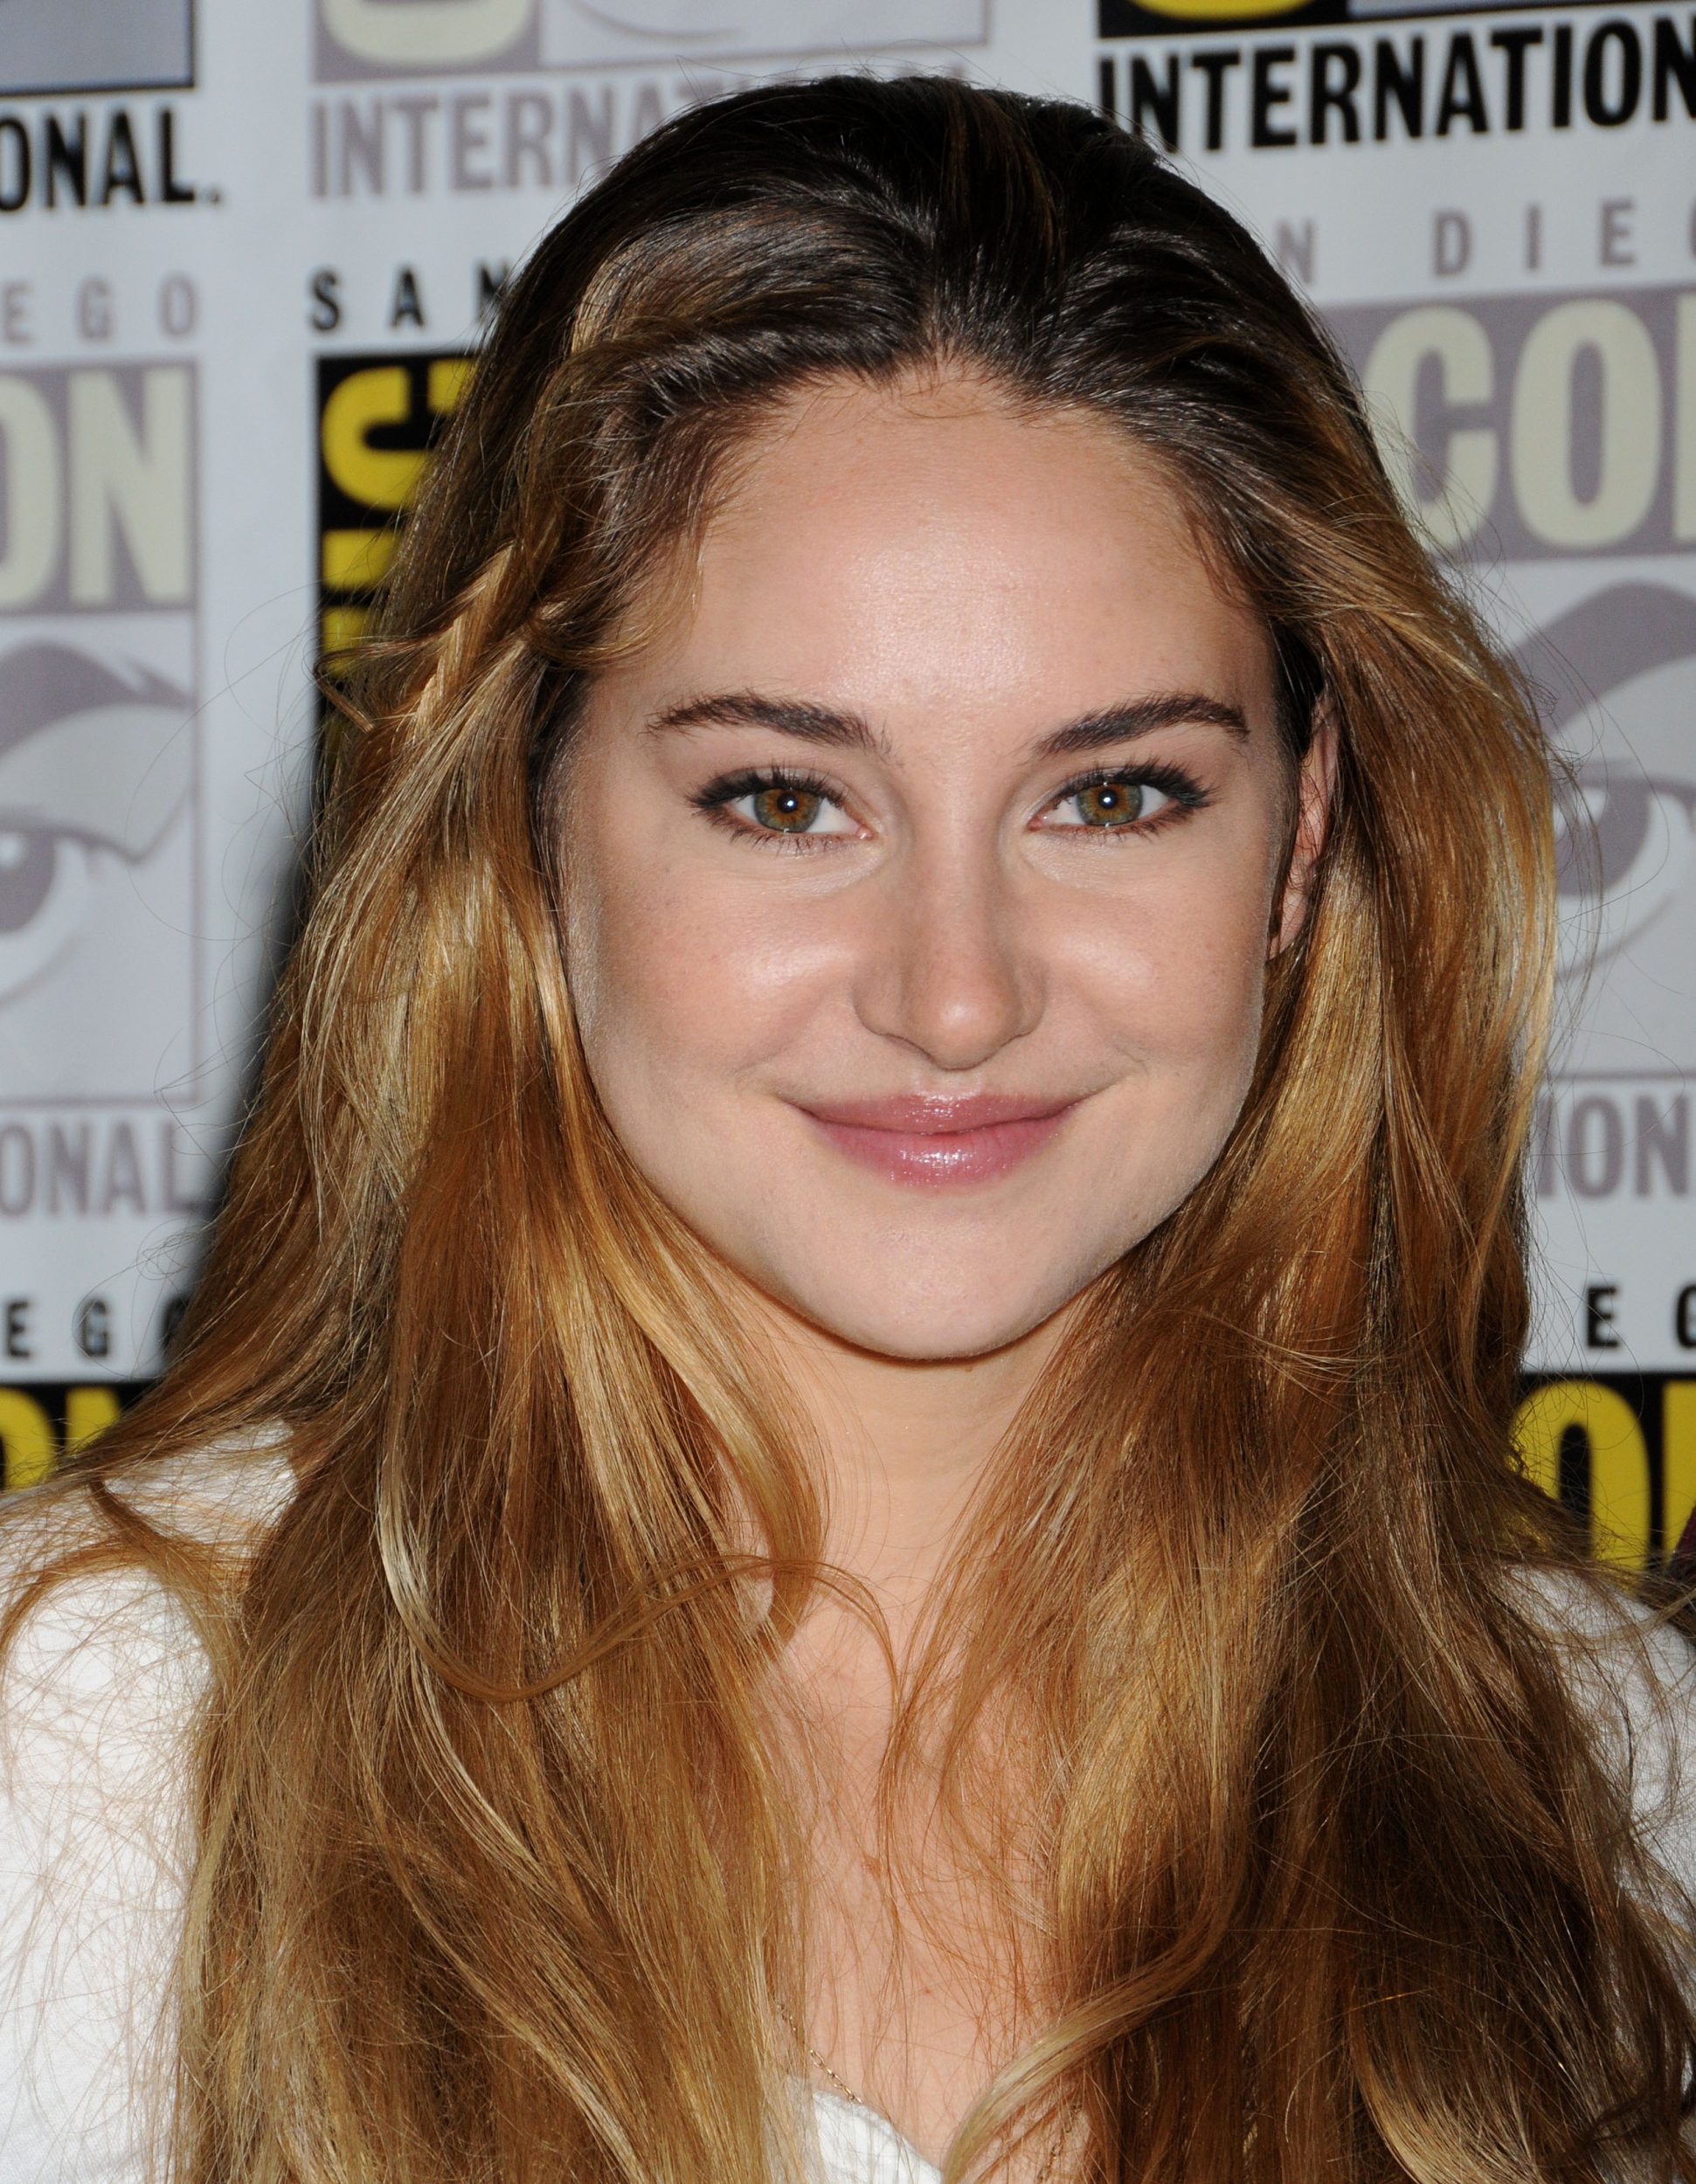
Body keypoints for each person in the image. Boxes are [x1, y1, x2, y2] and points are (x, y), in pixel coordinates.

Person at [1, 73, 1692, 2184]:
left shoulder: (1601, 1771)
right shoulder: (93, 1744)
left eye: (1115, 794)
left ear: (1299, 834)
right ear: (524, 829)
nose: (954, 992)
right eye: (784, 798)